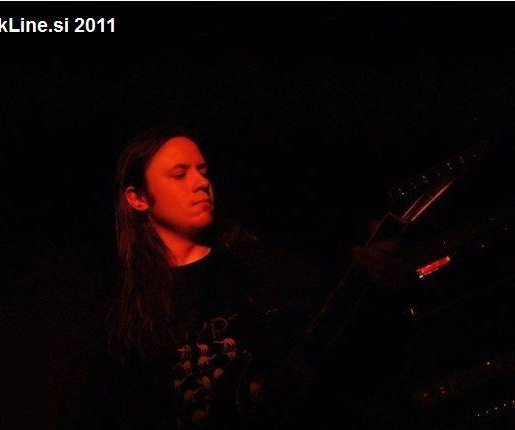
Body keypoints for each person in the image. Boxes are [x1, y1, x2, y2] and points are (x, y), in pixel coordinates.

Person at [106, 125, 408, 429]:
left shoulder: (260, 266)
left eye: (203, 171)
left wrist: (385, 290)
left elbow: (350, 358)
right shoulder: (130, 313)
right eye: (180, 174)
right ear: (138, 198)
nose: (202, 183)